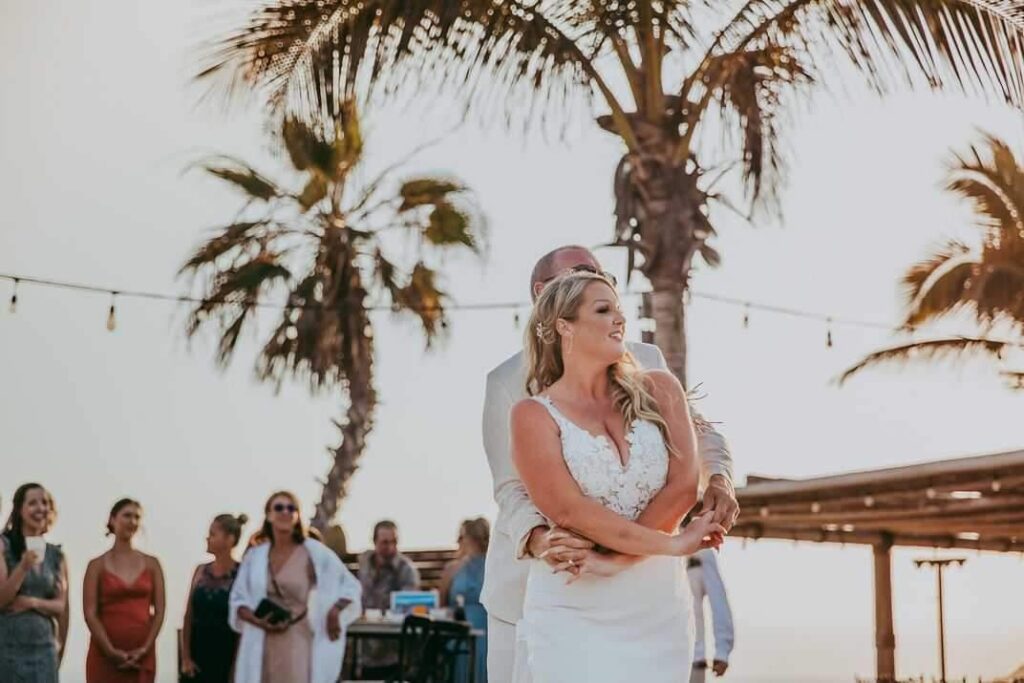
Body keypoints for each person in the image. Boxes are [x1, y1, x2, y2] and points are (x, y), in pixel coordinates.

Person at [481, 245, 739, 683]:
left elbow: (697, 438)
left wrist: (719, 478)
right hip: (547, 580)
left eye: (604, 280)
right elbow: (512, 489)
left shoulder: (649, 366)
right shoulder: (507, 384)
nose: (610, 305)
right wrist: (545, 541)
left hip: (651, 592)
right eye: (583, 276)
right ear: (549, 298)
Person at [229, 491, 361, 683]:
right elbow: (238, 599)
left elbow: (350, 586)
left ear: (297, 515)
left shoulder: (314, 553)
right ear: (269, 514)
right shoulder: (254, 557)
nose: (285, 512)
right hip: (261, 638)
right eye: (279, 507)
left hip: (298, 636)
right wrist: (258, 621)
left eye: (291, 508)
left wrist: (335, 610)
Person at [84, 498, 166, 683]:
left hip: (142, 654)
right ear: (113, 520)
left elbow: (160, 611)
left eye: (137, 517)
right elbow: (90, 612)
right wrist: (110, 651)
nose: (132, 521)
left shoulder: (152, 564)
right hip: (104, 654)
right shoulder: (96, 565)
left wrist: (145, 648)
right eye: (127, 515)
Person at [0, 483, 69, 683]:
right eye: (33, 503)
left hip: (45, 650)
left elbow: (61, 606)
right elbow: (2, 600)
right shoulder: (4, 546)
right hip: (8, 649)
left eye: (45, 503)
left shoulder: (57, 555)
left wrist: (32, 603)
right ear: (20, 509)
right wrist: (22, 567)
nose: (41, 508)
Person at [181, 514, 249, 682]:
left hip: (225, 656)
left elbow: (244, 623)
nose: (207, 538)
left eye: (213, 534)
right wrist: (185, 658)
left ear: (229, 539)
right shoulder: (200, 570)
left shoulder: (242, 574)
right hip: (196, 657)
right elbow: (188, 614)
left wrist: (236, 668)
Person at [355, 520, 420, 679]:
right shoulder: (365, 564)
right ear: (375, 541)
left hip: (394, 650)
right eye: (385, 542)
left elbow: (409, 604)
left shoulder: (406, 570)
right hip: (365, 646)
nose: (390, 547)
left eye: (394, 542)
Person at [440, 518, 490, 683]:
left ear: (468, 539)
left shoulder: (453, 570)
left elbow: (442, 605)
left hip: (472, 632)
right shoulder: (453, 569)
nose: (457, 542)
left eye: (460, 537)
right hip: (466, 631)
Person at [687, 547, 734, 682]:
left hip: (692, 662)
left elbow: (718, 600)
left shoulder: (701, 550)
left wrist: (722, 650)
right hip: (652, 657)